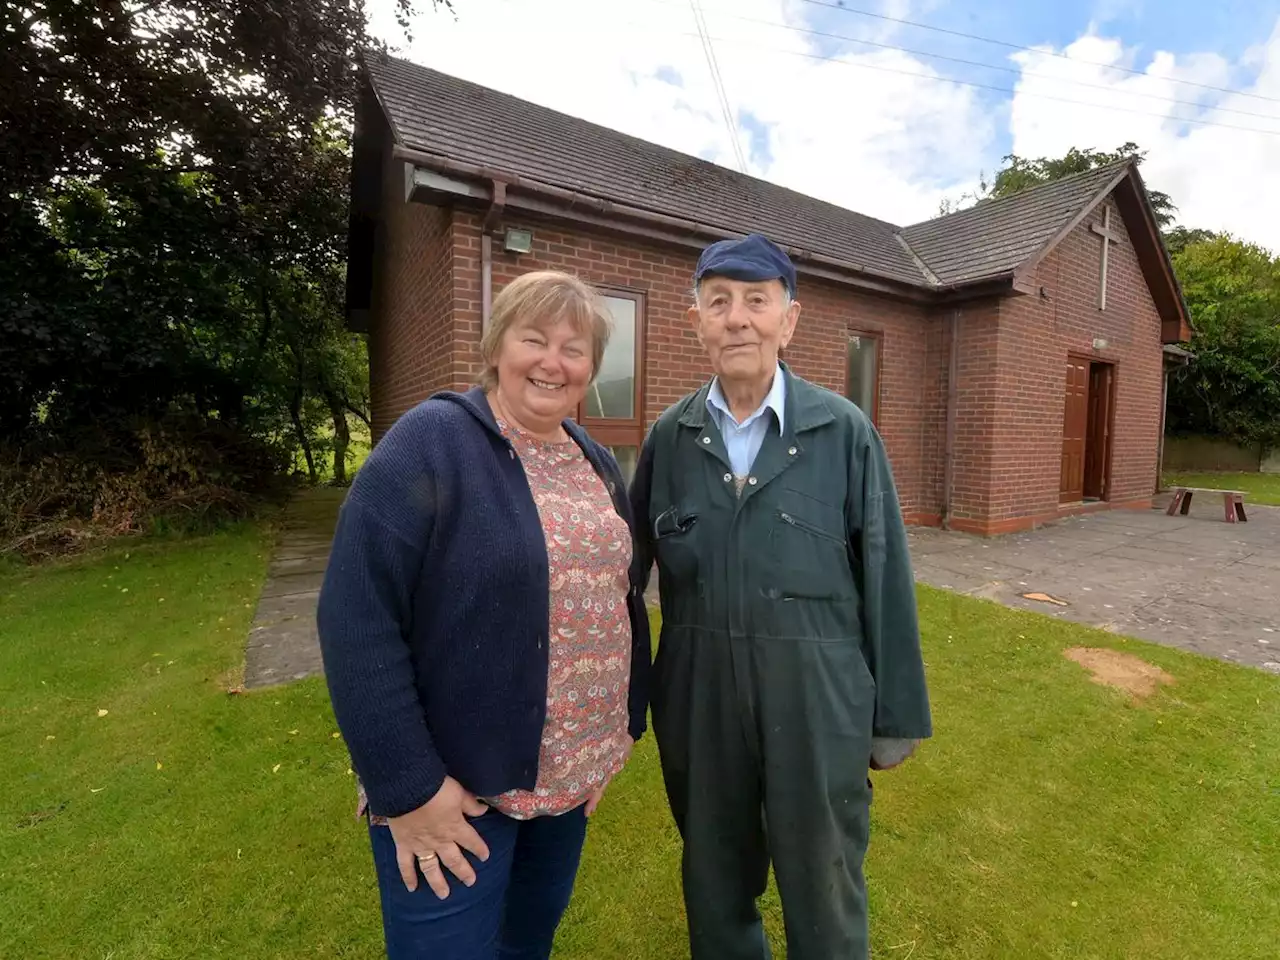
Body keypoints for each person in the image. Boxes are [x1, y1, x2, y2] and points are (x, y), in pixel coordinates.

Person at [316, 269, 651, 960]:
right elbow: (355, 618)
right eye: (535, 339)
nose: (553, 362)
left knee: (528, 945)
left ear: (590, 369)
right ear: (498, 346)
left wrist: (617, 732)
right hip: (457, 791)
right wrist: (408, 788)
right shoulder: (432, 441)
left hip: (568, 779)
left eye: (575, 348)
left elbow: (619, 593)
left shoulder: (591, 458)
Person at [629, 234, 932, 960]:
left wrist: (894, 718)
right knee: (713, 875)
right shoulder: (670, 438)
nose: (737, 319)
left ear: (788, 321)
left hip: (817, 698)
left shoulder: (844, 432)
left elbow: (885, 576)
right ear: (695, 321)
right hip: (699, 697)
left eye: (756, 302)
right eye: (718, 302)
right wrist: (623, 706)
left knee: (822, 880)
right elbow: (622, 581)